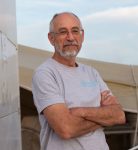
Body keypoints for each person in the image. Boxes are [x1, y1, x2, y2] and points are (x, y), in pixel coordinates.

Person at [32, 12, 126, 150]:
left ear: (82, 36)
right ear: (51, 38)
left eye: (75, 31)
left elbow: (119, 115)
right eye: (63, 32)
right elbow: (66, 129)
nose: (70, 37)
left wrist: (80, 112)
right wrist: (104, 117)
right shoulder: (45, 74)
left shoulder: (91, 73)